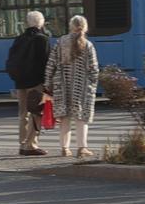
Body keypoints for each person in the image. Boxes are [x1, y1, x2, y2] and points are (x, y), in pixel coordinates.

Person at [44, 15, 98, 158]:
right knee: (81, 118)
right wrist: (92, 85)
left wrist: (47, 85)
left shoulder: (60, 42)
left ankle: (64, 148)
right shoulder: (88, 45)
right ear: (85, 27)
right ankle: (82, 148)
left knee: (64, 118)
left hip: (62, 86)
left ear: (70, 26)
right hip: (82, 87)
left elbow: (51, 65)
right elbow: (94, 69)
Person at [6, 11, 50, 156]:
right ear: (41, 22)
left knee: (23, 113)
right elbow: (46, 63)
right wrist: (47, 83)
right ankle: (30, 145)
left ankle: (22, 144)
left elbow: (11, 59)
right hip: (35, 82)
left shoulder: (19, 39)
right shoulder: (42, 39)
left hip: (20, 82)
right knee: (36, 113)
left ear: (27, 22)